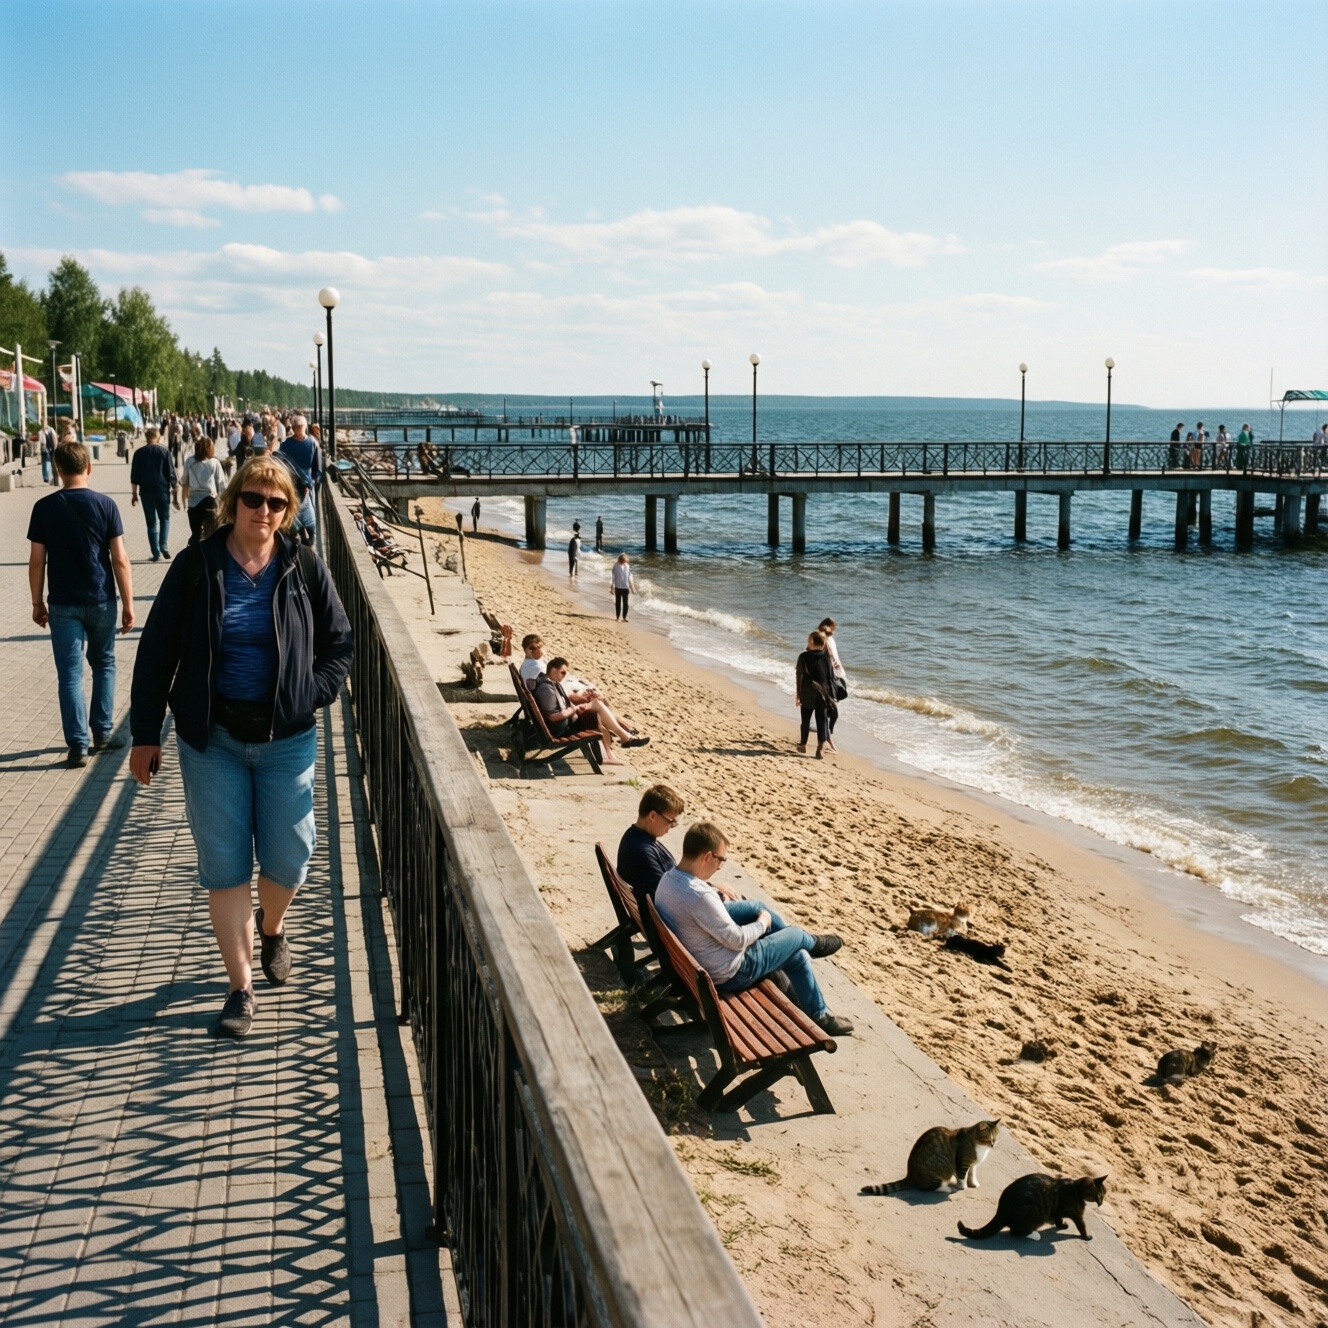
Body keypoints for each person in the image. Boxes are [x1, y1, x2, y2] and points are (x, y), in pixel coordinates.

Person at [128, 456, 353, 1039]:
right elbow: (157, 654)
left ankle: (273, 927)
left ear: (288, 510)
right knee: (225, 866)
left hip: (287, 739)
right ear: (233, 502)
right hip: (214, 741)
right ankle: (240, 987)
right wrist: (145, 734)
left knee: (289, 857)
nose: (263, 511)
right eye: (253, 499)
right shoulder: (197, 566)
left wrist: (311, 692)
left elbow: (340, 643)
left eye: (276, 503)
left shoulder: (303, 565)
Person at [654, 822, 852, 1036]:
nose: (720, 866)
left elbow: (701, 911)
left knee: (768, 920)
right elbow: (736, 939)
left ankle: (817, 1009)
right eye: (721, 860)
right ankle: (813, 944)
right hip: (732, 971)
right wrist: (763, 924)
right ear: (707, 857)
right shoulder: (700, 896)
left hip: (698, 956)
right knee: (795, 935)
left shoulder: (669, 879)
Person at [27, 441, 135, 767]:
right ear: (89, 467)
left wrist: (36, 602)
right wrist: (129, 604)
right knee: (104, 664)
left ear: (58, 470)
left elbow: (36, 562)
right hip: (101, 599)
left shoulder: (44, 507)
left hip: (62, 603)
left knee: (70, 675)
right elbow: (120, 560)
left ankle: (77, 745)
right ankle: (102, 732)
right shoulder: (106, 505)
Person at [533, 657, 647, 765]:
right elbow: (552, 717)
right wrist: (573, 709)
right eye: (562, 672)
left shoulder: (550, 683)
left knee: (598, 709)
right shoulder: (546, 688)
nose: (564, 676)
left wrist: (576, 707)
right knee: (598, 709)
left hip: (568, 720)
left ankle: (613, 750)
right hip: (563, 728)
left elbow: (558, 707)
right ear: (553, 670)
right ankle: (623, 741)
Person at [617, 783, 685, 918]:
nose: (672, 826)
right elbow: (669, 895)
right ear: (653, 816)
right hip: (668, 924)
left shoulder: (637, 837)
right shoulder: (642, 851)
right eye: (670, 821)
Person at [130, 426, 180, 561]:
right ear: (157, 437)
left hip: (145, 492)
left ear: (146, 438)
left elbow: (134, 476)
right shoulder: (164, 451)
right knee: (165, 519)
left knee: (151, 523)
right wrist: (175, 495)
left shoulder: (139, 453)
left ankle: (156, 553)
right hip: (162, 491)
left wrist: (134, 494)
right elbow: (171, 475)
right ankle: (163, 545)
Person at [276, 414, 322, 545]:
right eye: (296, 426)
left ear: (305, 427)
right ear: (293, 428)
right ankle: (301, 537)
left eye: (301, 426)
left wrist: (313, 483)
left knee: (310, 517)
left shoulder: (312, 444)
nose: (299, 429)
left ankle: (310, 538)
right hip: (291, 485)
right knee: (294, 515)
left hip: (307, 486)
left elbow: (317, 469)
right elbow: (280, 463)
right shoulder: (286, 445)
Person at [796, 630, 838, 758]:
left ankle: (803, 745)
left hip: (807, 693)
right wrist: (832, 696)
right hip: (823, 694)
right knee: (822, 721)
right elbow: (831, 678)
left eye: (809, 640)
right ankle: (820, 748)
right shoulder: (827, 657)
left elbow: (799, 676)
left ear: (812, 642)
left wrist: (798, 694)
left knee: (805, 720)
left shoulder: (803, 657)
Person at [181, 436, 227, 544]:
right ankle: (209, 556)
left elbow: (185, 482)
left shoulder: (189, 461)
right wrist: (223, 504)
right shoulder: (214, 463)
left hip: (193, 502)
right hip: (210, 501)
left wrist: (183, 499)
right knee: (211, 535)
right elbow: (221, 485)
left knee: (195, 534)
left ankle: (193, 554)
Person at [818, 616, 848, 700]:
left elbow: (834, 656)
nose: (834, 631)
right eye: (833, 628)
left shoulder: (830, 639)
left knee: (832, 695)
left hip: (831, 671)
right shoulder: (822, 639)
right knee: (831, 696)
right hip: (827, 672)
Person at [611, 552, 634, 621]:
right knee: (618, 603)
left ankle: (624, 617)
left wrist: (632, 586)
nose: (622, 561)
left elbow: (629, 577)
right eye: (622, 559)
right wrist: (612, 586)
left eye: (624, 560)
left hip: (625, 587)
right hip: (618, 587)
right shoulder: (616, 565)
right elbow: (613, 576)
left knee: (625, 603)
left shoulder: (627, 566)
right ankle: (618, 617)